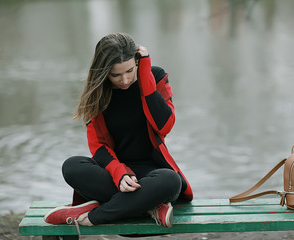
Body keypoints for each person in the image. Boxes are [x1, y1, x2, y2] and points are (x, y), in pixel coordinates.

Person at [44, 32, 193, 228]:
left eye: (130, 71)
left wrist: (145, 74)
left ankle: (93, 216)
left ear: (137, 63)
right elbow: (98, 147)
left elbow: (165, 125)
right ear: (104, 72)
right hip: (115, 177)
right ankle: (151, 207)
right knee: (72, 166)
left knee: (171, 180)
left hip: (154, 175)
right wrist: (120, 174)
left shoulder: (155, 76)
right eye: (116, 75)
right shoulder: (97, 93)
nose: (124, 80)